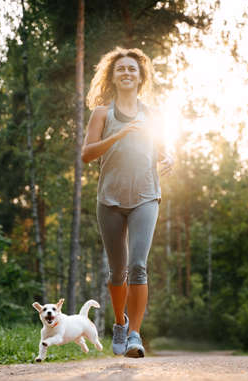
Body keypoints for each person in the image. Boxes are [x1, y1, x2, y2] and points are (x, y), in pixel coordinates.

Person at [82, 47, 173, 358]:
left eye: (132, 69)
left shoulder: (152, 116)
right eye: (120, 68)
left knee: (138, 266)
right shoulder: (101, 114)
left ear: (140, 77)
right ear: (113, 76)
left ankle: (134, 334)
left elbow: (159, 149)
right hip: (109, 199)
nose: (126, 73)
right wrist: (117, 136)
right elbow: (87, 153)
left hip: (146, 196)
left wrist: (168, 157)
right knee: (117, 271)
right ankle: (119, 323)